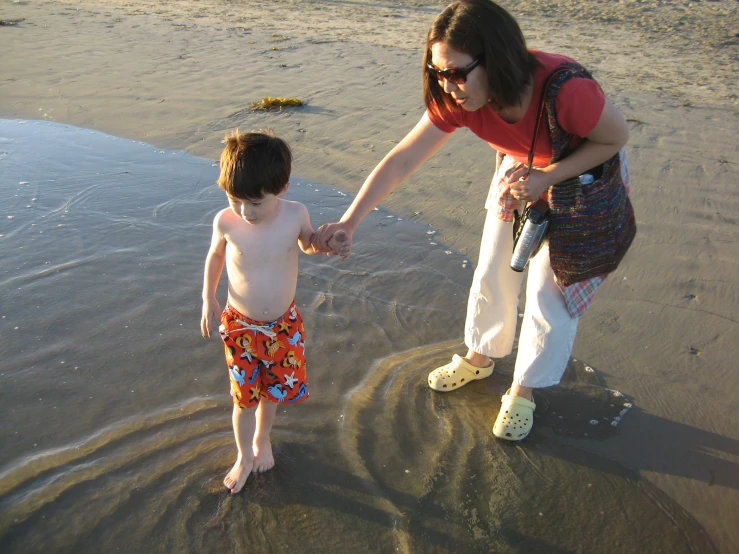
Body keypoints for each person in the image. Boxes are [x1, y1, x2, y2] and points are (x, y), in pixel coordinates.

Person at [312, 0, 630, 441]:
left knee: (547, 290)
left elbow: (615, 138)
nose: (448, 85)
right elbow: (403, 159)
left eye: (457, 72)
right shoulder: (457, 98)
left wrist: (550, 176)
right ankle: (481, 356)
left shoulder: (567, 89)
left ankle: (524, 389)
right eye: (437, 72)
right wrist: (349, 222)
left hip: (579, 176)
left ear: (496, 58)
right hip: (521, 171)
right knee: (494, 266)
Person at [201, 130, 348, 494]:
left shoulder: (295, 214)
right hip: (240, 327)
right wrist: (208, 298)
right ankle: (243, 456)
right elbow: (216, 256)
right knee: (244, 397)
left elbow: (308, 244)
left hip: (283, 326)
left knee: (272, 393)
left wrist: (327, 244)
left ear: (281, 188)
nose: (245, 211)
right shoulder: (226, 222)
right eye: (235, 200)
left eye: (255, 203)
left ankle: (262, 440)